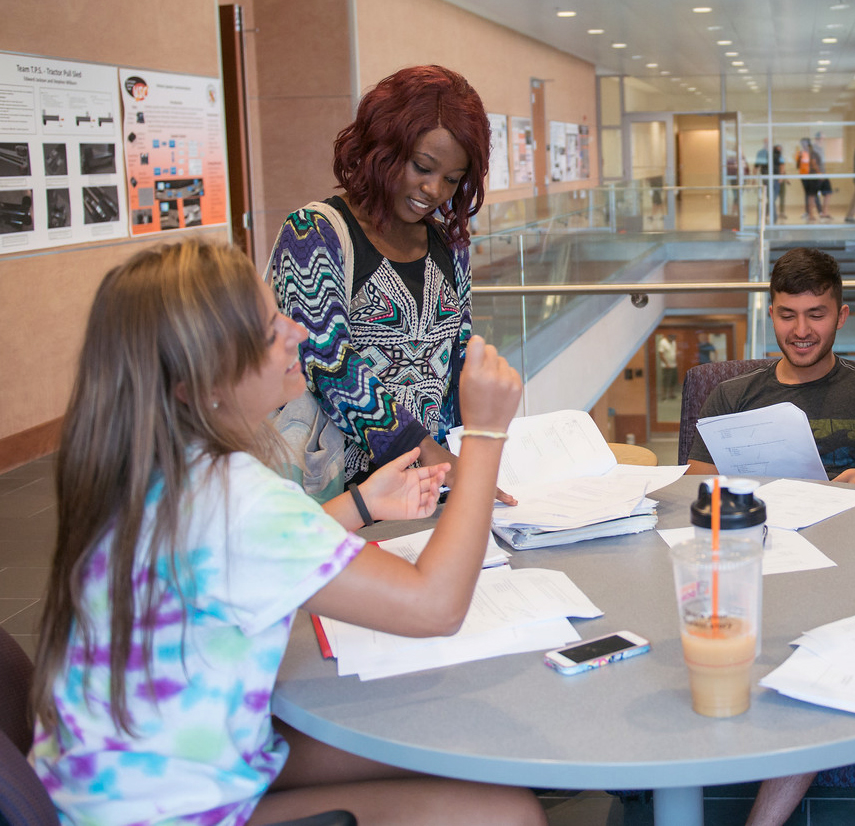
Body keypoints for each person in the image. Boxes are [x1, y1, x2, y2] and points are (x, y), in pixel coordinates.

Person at [29, 239, 544, 826]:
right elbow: (435, 606)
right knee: (504, 812)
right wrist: (484, 434)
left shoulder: (150, 469)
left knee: (447, 736)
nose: (297, 331)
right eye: (270, 326)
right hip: (171, 813)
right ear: (202, 381)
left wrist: (359, 504)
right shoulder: (234, 495)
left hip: (106, 786)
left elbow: (235, 554)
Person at [685, 246, 855, 826]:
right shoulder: (732, 398)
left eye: (816, 314)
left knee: (819, 635)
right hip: (767, 556)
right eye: (787, 314)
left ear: (842, 315)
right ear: (770, 314)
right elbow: (696, 491)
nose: (801, 331)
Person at [269, 65, 513, 504]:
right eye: (422, 167)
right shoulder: (313, 233)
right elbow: (326, 361)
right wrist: (428, 453)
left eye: (453, 179)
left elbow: (457, 354)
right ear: (382, 146)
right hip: (338, 492)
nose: (434, 189)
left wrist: (473, 453)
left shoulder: (448, 242)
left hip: (431, 486)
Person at [656, 331, 679, 400]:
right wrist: (666, 364)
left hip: (674, 364)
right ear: (669, 337)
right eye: (672, 338)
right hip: (666, 366)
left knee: (673, 380)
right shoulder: (663, 342)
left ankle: (671, 394)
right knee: (665, 381)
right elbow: (661, 354)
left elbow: (674, 352)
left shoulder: (674, 342)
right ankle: (663, 395)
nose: (673, 339)